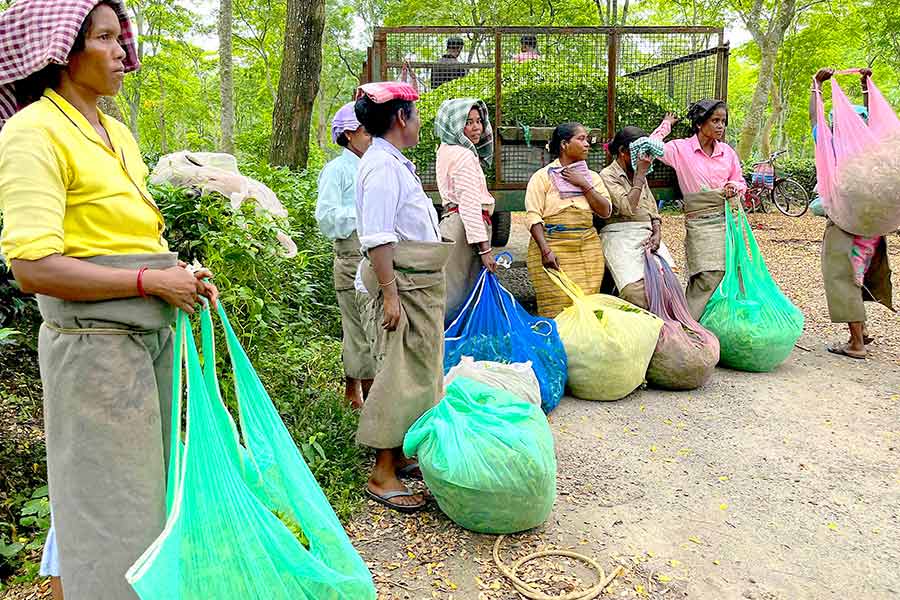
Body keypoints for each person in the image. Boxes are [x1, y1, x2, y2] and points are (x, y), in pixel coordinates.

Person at [0, 2, 218, 599]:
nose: (124, 50)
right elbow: (31, 266)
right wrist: (149, 284)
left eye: (122, 37)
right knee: (110, 513)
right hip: (94, 351)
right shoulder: (31, 133)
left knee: (145, 500)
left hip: (147, 345)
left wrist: (179, 273)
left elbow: (129, 236)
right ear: (62, 53)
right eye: (105, 39)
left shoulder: (116, 132)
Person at [353, 81, 452, 512]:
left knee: (418, 372)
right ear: (400, 118)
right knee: (397, 373)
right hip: (403, 286)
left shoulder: (393, 163)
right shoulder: (381, 168)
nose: (418, 121)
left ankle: (403, 452)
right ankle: (382, 472)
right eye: (415, 113)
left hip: (418, 283)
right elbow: (377, 238)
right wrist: (390, 295)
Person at [810, 67, 894, 359]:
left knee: (842, 278)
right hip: (870, 228)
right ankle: (864, 331)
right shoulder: (872, 151)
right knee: (858, 276)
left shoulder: (833, 146)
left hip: (846, 225)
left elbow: (815, 119)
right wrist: (865, 86)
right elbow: (877, 123)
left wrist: (817, 86)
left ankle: (856, 342)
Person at [649, 100, 746, 320]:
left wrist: (735, 187)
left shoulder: (727, 153)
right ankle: (687, 324)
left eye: (723, 121)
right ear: (700, 123)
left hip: (729, 218)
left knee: (734, 271)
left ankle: (721, 323)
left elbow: (739, 180)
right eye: (715, 120)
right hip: (700, 221)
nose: (721, 126)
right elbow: (651, 145)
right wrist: (666, 125)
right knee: (707, 273)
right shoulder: (680, 149)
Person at [316, 102, 375, 409]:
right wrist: (363, 213)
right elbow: (326, 217)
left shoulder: (372, 165)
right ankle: (372, 404)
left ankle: (356, 394)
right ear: (349, 135)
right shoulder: (337, 171)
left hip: (373, 257)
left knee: (366, 329)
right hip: (352, 258)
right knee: (359, 331)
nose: (371, 137)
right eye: (366, 131)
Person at [525, 122, 612, 317]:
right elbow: (533, 216)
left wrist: (583, 184)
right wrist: (545, 251)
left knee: (586, 307)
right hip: (552, 250)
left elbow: (605, 211)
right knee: (557, 309)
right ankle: (556, 346)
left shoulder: (592, 177)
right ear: (564, 145)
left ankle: (583, 346)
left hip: (587, 249)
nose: (587, 144)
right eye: (581, 139)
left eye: (587, 139)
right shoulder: (542, 177)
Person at [599, 126, 675, 309]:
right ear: (623, 152)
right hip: (619, 235)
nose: (645, 158)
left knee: (669, 283)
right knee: (636, 292)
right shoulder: (608, 175)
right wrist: (640, 175)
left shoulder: (640, 175)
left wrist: (657, 233)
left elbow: (652, 209)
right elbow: (627, 207)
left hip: (646, 234)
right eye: (639, 152)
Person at [435, 98, 496, 321]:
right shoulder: (463, 155)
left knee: (452, 287)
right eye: (468, 122)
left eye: (478, 121)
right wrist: (485, 249)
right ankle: (453, 345)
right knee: (460, 295)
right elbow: (469, 205)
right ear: (454, 124)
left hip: (454, 222)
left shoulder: (446, 148)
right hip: (463, 229)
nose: (476, 127)